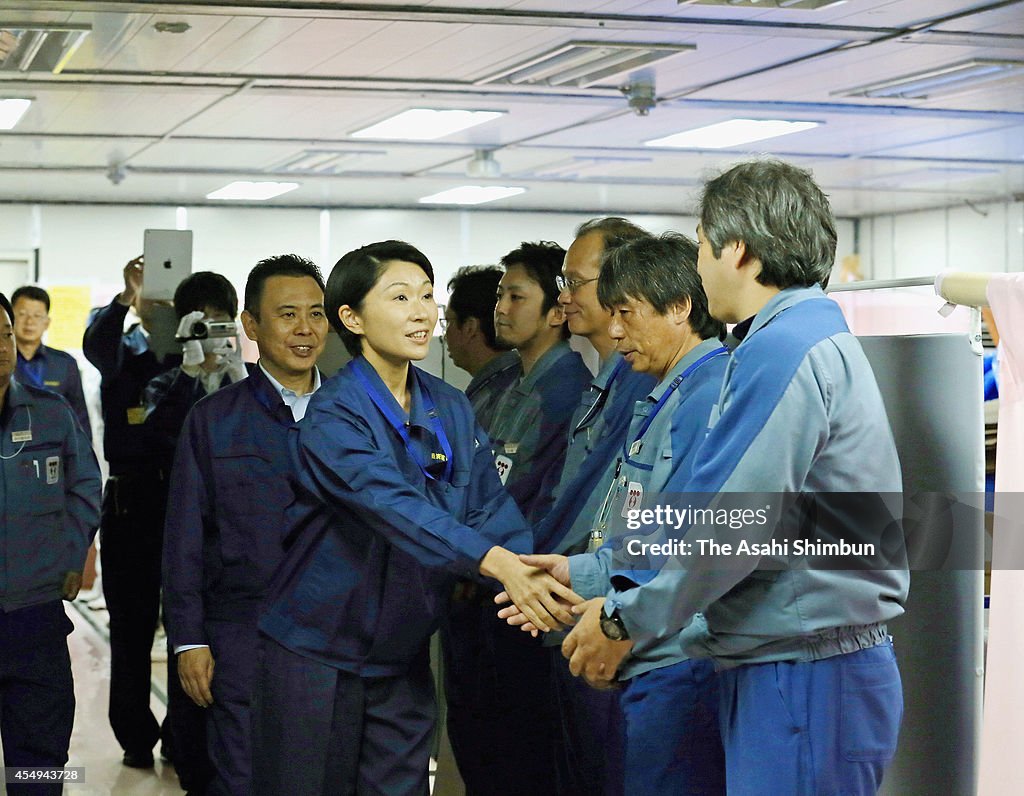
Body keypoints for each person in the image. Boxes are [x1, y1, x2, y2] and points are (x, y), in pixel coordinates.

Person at [562, 159, 909, 794]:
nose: (696, 265)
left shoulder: (783, 349)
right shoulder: (789, 337)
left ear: (737, 250)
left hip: (805, 670)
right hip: (795, 660)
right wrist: (586, 577)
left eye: (699, 245)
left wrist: (622, 619)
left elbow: (729, 532)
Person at [251, 240, 578, 796]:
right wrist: (496, 563)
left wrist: (534, 577)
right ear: (351, 318)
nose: (422, 311)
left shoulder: (449, 405)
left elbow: (488, 506)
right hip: (317, 653)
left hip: (401, 655)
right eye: (400, 297)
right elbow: (392, 505)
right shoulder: (333, 415)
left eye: (427, 296)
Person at [504, 233, 729, 793]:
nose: (617, 330)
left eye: (626, 313)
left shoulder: (706, 394)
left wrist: (617, 617)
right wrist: (572, 573)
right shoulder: (663, 393)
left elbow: (688, 548)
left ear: (680, 307)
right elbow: (639, 529)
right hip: (643, 641)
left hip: (674, 653)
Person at [163, 255, 328, 796]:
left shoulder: (356, 415)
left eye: (316, 314)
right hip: (241, 639)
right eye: (287, 315)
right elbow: (184, 539)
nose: (304, 329)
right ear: (252, 326)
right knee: (243, 780)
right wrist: (188, 640)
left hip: (336, 640)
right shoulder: (214, 421)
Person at [444, 240, 592, 796]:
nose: (500, 308)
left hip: (522, 600)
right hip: (485, 592)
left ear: (556, 311)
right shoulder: (511, 386)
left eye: (515, 295)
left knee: (518, 758)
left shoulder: (566, 392)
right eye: (502, 294)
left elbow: (532, 502)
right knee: (483, 748)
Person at [535, 217, 656, 796]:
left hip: (607, 614)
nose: (565, 295)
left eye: (576, 281)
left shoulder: (646, 383)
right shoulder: (609, 378)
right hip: (578, 603)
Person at [145, 269, 249, 793]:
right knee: (192, 672)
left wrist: (235, 376)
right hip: (184, 546)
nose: (212, 337)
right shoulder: (167, 378)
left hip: (239, 561)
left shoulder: (251, 385)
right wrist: (190, 372)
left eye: (219, 325)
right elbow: (154, 438)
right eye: (200, 326)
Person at [0, 292, 101, 795]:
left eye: (3, 333)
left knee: (40, 760)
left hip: (34, 618)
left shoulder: (50, 412)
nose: (1, 345)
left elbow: (85, 485)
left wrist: (72, 553)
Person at [82, 256, 181, 769]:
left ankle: (185, 737)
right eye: (150, 296)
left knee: (188, 626)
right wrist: (125, 297)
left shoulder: (189, 356)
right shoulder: (120, 350)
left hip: (183, 506)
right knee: (131, 628)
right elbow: (97, 344)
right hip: (129, 503)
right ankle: (135, 737)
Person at [443, 265, 519, 431]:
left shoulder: (496, 396)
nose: (445, 335)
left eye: (448, 321)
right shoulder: (512, 380)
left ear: (469, 327)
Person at [11, 285, 91, 438]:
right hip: (9, 450)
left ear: (47, 322)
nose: (29, 322)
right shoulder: (4, 360)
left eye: (37, 316)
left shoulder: (65, 364)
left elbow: (79, 416)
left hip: (53, 449)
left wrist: (83, 456)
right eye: (22, 314)